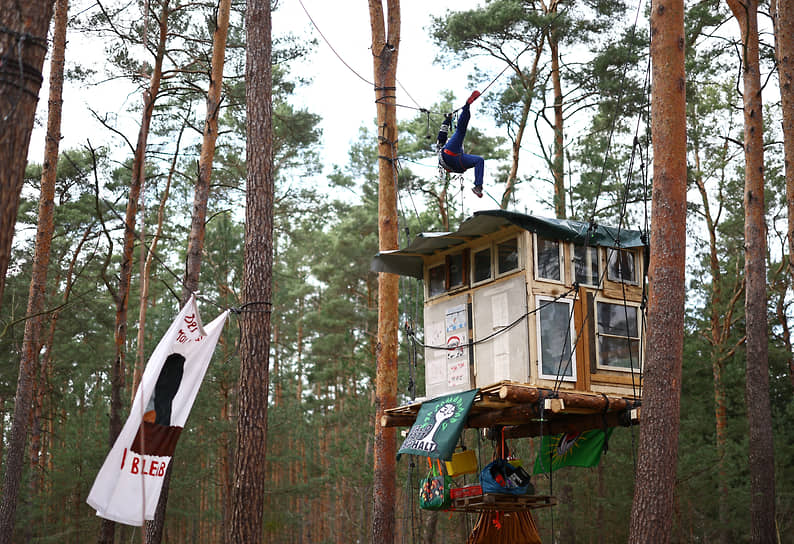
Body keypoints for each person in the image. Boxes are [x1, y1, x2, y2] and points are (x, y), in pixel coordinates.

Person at [437, 90, 485, 197]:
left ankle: (478, 187)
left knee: (479, 160)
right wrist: (447, 120)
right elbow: (442, 134)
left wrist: (448, 120)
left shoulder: (450, 144)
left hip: (458, 161)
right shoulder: (444, 144)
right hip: (449, 157)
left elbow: (445, 133)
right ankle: (467, 106)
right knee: (460, 131)